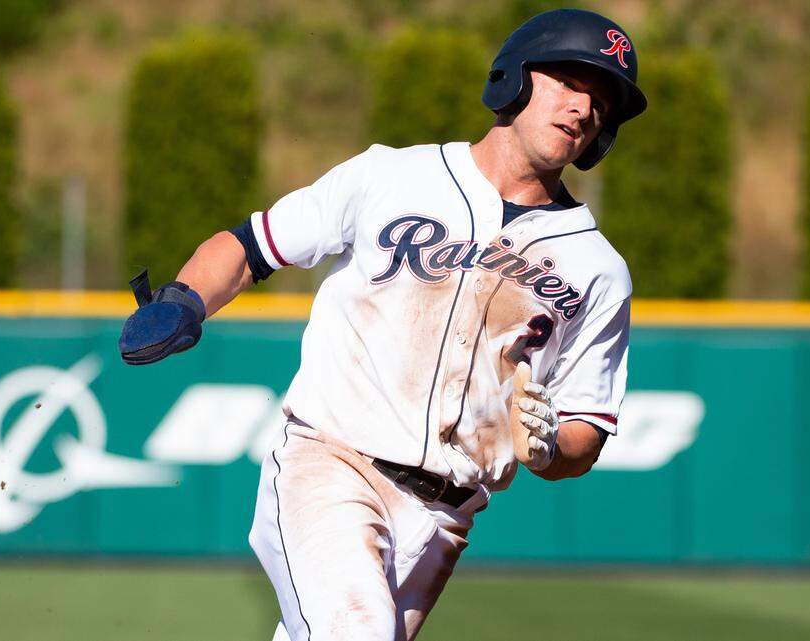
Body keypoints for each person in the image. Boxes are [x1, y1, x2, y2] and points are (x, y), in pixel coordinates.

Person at [119, 8, 647, 641]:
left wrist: (549, 445)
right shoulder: (391, 177)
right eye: (568, 81)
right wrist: (185, 298)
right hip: (331, 465)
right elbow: (252, 245)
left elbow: (585, 432)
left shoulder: (597, 269)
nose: (583, 107)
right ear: (516, 76)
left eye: (601, 101)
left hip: (442, 520)